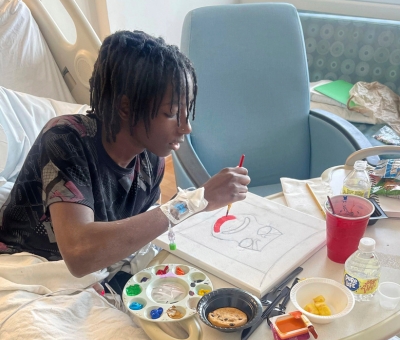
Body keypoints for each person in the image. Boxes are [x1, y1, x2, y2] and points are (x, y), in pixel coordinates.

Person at [0, 30, 250, 287]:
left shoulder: (151, 162)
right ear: (125, 107)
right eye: (172, 112)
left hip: (99, 272)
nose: (186, 127)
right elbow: (79, 253)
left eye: (188, 110)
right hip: (30, 268)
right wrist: (194, 202)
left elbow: (137, 231)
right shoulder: (65, 139)